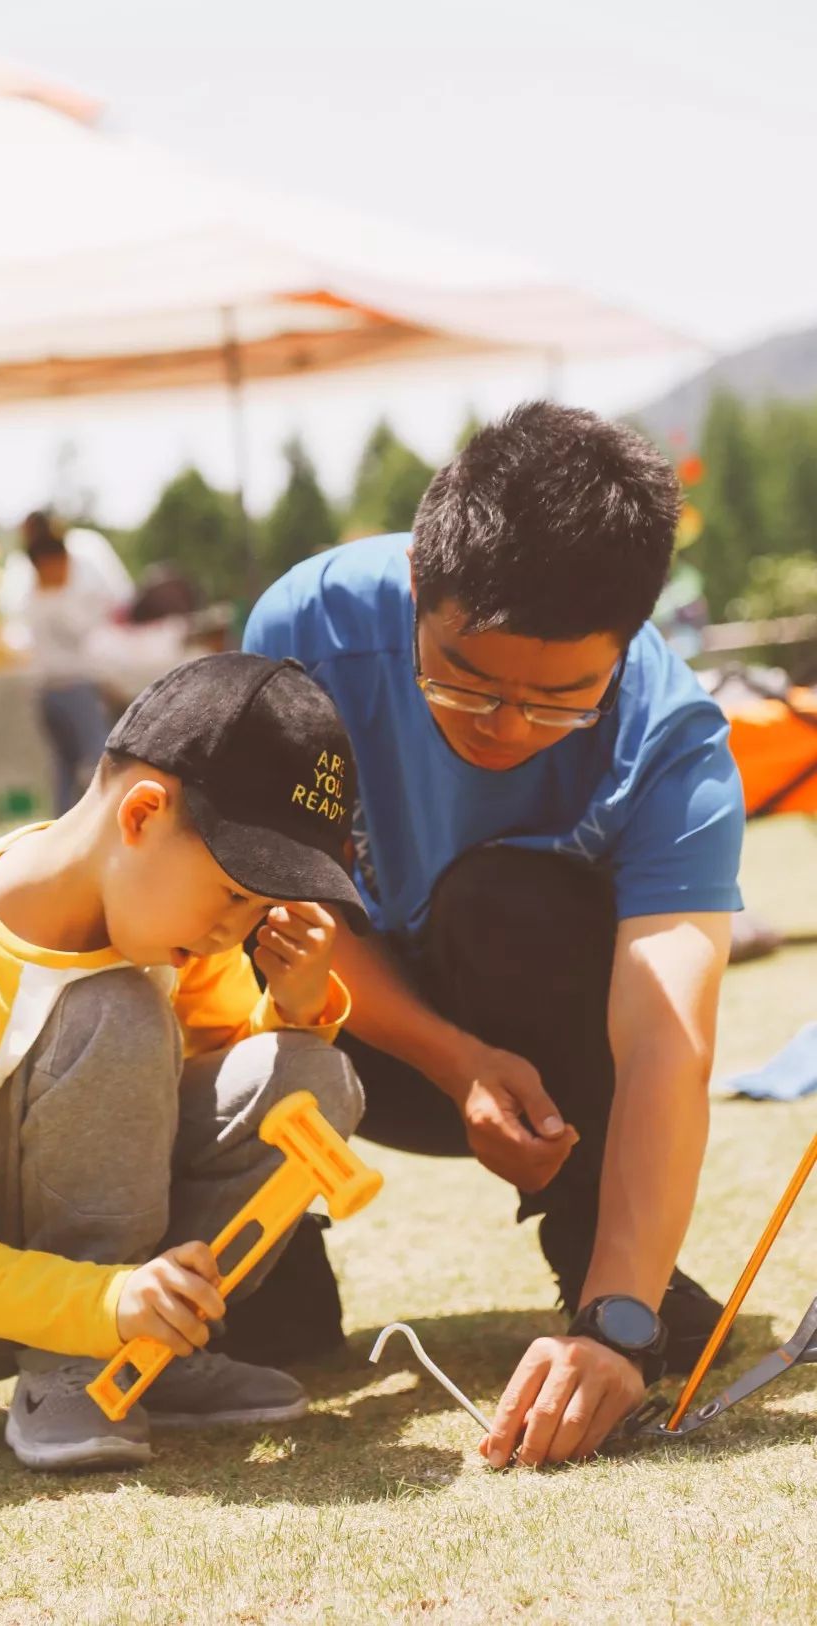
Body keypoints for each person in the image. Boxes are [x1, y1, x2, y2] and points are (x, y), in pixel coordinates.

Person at [243, 402, 745, 1469]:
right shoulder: (311, 628)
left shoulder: (671, 737)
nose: (506, 725)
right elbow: (296, 902)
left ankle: (605, 1261)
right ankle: (257, 1264)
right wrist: (454, 1058)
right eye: (463, 679)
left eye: (560, 698)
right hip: (354, 1033)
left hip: (552, 1070)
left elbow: (666, 1039)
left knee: (509, 902)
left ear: (627, 644)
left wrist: (618, 1321)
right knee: (212, 897)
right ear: (419, 589)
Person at [0, 652, 368, 1473]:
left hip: (112, 1275)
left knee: (309, 1078)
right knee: (115, 1008)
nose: (237, 927)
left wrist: (296, 1005)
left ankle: (155, 1355)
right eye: (236, 892)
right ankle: (78, 1366)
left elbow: (221, 1089)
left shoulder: (173, 926)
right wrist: (102, 1303)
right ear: (141, 814)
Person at [16, 511, 130, 816]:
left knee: (64, 770)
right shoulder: (56, 600)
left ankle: (63, 824)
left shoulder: (31, 600)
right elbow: (80, 630)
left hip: (48, 692)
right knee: (95, 760)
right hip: (73, 688)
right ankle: (98, 821)